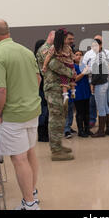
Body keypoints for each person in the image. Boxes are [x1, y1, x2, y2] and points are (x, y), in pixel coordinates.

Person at [0, 18, 42, 210]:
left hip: (12, 116)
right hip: (32, 111)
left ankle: (30, 203)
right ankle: (32, 192)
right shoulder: (26, 51)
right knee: (29, 152)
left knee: (19, 159)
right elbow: (37, 79)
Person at [36, 30, 75, 161]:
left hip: (59, 87)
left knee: (60, 117)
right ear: (51, 36)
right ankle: (56, 151)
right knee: (55, 117)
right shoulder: (45, 50)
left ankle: (58, 145)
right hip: (52, 87)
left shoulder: (58, 49)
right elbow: (55, 65)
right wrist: (71, 72)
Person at [82, 34, 109, 129]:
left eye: (99, 42)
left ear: (101, 44)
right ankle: (96, 121)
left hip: (101, 81)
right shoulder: (89, 54)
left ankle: (105, 126)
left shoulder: (105, 53)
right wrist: (88, 70)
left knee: (105, 104)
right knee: (95, 103)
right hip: (93, 80)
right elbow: (83, 67)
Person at [42, 29, 77, 103]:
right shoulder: (59, 47)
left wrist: (44, 66)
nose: (71, 41)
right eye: (69, 39)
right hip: (69, 65)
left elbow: (48, 57)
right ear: (63, 38)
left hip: (66, 64)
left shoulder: (62, 47)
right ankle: (71, 92)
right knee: (70, 78)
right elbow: (73, 58)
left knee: (64, 78)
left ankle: (66, 94)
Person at [90, 38, 109, 138]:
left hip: (100, 83)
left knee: (101, 108)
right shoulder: (104, 54)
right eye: (92, 46)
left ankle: (101, 131)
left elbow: (96, 74)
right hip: (104, 82)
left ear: (100, 45)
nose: (94, 48)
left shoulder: (99, 56)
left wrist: (93, 84)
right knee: (105, 106)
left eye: (96, 45)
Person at [72, 50, 92, 137]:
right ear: (73, 57)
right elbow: (75, 79)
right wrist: (84, 72)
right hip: (78, 91)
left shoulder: (84, 65)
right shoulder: (73, 67)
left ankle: (87, 129)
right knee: (80, 112)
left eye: (80, 55)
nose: (79, 56)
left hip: (86, 90)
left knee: (87, 111)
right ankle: (80, 130)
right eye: (77, 55)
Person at [34, 39, 49, 142]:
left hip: (47, 88)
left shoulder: (46, 60)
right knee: (43, 112)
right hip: (40, 90)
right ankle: (42, 134)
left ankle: (46, 134)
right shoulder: (35, 60)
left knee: (47, 112)